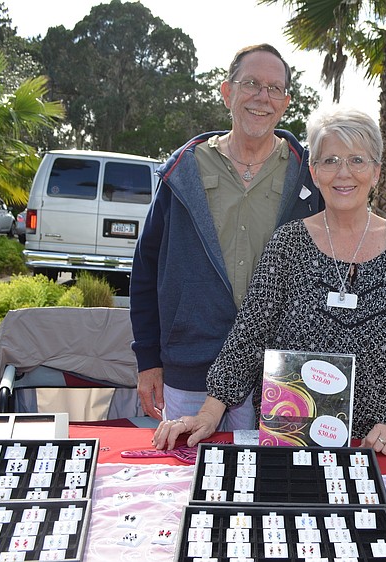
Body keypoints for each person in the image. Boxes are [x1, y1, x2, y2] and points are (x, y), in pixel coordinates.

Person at [153, 107, 386, 455]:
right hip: (296, 442)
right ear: (314, 172)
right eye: (330, 160)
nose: (343, 173)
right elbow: (250, 333)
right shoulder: (288, 244)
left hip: (385, 447)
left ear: (376, 172)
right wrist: (209, 412)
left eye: (357, 160)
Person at [130, 44, 324, 430]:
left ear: (286, 102)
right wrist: (148, 359)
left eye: (274, 88)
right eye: (251, 84)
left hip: (280, 376)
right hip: (191, 368)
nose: (262, 97)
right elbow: (146, 268)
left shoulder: (310, 177)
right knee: (186, 468)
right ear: (226, 92)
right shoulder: (183, 171)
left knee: (270, 471)